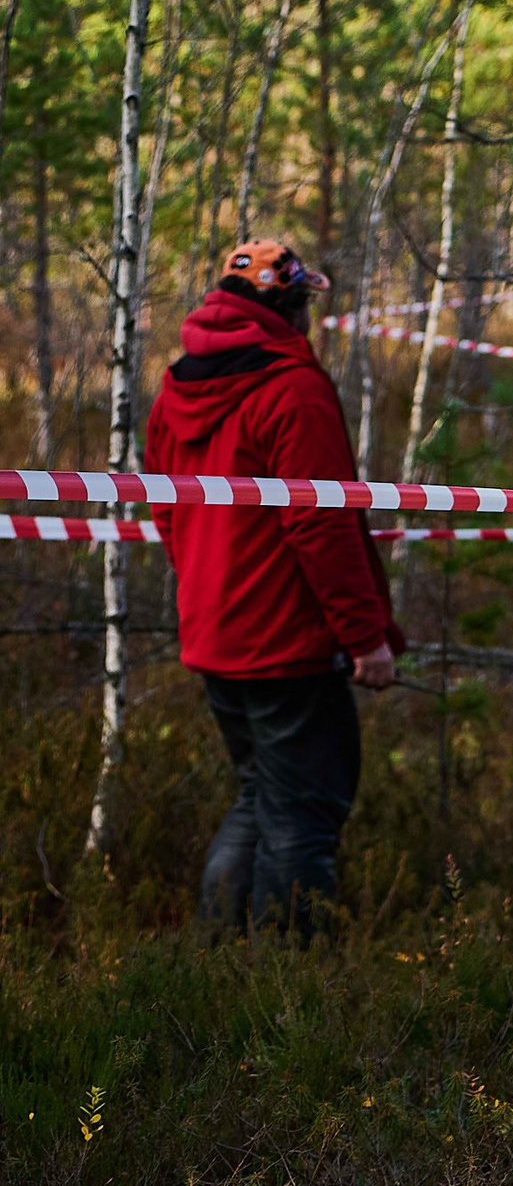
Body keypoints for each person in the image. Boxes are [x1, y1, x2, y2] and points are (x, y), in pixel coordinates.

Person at [150, 241, 403, 934]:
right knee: (302, 816)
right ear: (290, 306)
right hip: (286, 641)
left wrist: (206, 591)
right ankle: (290, 976)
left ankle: (222, 959)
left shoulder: (175, 386)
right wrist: (366, 638)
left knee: (259, 796)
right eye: (305, 301)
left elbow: (166, 510)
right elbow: (321, 523)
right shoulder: (292, 388)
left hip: (214, 632)